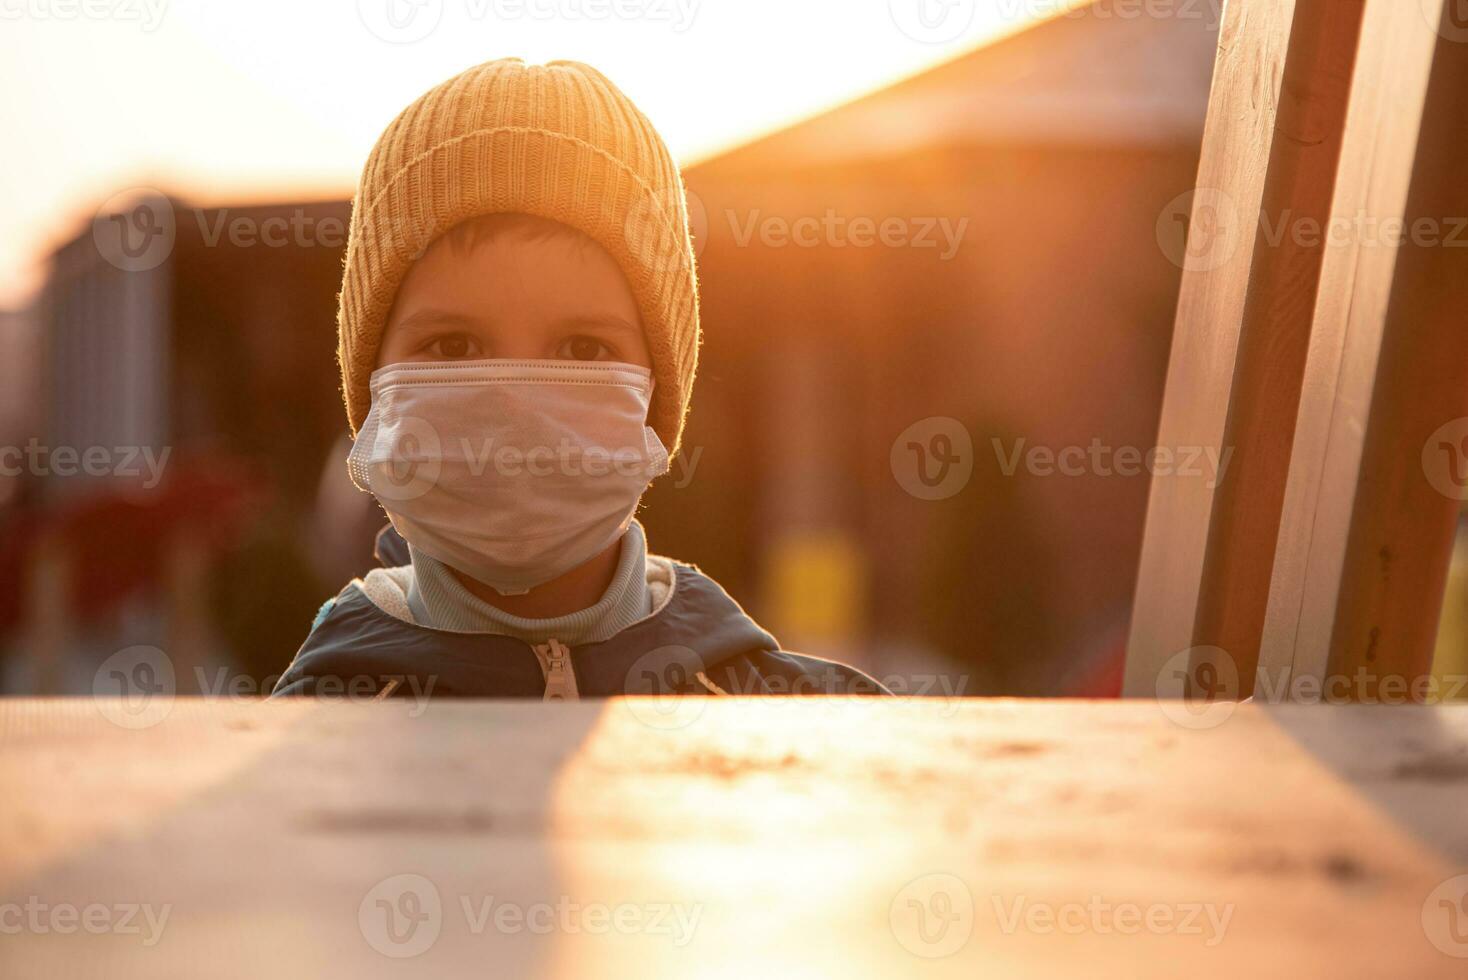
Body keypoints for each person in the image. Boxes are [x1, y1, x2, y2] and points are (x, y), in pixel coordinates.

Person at [272, 58, 885, 700]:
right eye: (452, 344)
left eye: (584, 347)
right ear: (371, 386)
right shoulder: (312, 731)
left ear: (658, 391)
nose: (514, 402)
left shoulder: (806, 730)